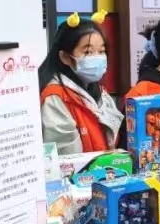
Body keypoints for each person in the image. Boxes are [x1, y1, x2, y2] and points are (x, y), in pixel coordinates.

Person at [39, 12, 124, 154]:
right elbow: (68, 157)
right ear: (65, 57)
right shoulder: (55, 97)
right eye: (88, 52)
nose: (98, 58)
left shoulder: (100, 92)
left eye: (101, 51)